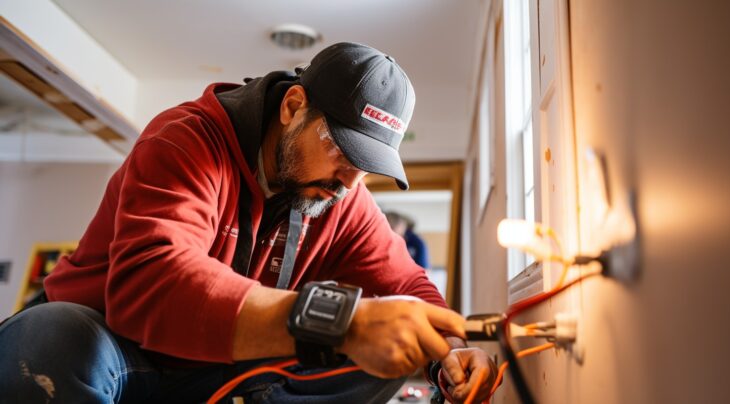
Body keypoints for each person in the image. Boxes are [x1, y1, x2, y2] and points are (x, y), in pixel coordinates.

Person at [0, 42, 497, 403]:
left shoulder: (340, 196)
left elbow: (408, 285)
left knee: (390, 343)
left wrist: (451, 352)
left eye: (366, 166)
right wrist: (336, 322)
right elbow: (152, 284)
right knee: (49, 337)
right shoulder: (185, 141)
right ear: (293, 107)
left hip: (216, 373)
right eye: (342, 151)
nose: (349, 181)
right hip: (115, 352)